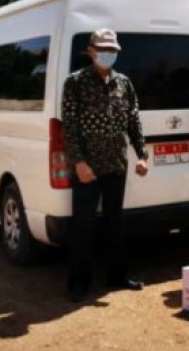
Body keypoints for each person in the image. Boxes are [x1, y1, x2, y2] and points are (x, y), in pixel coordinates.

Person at [62, 28, 148, 301]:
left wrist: (142, 154)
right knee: (83, 226)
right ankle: (78, 283)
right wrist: (79, 162)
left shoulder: (124, 83)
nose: (107, 55)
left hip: (116, 165)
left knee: (115, 223)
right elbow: (70, 127)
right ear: (90, 51)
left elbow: (133, 121)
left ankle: (118, 276)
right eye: (102, 49)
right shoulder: (75, 83)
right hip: (87, 167)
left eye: (112, 51)